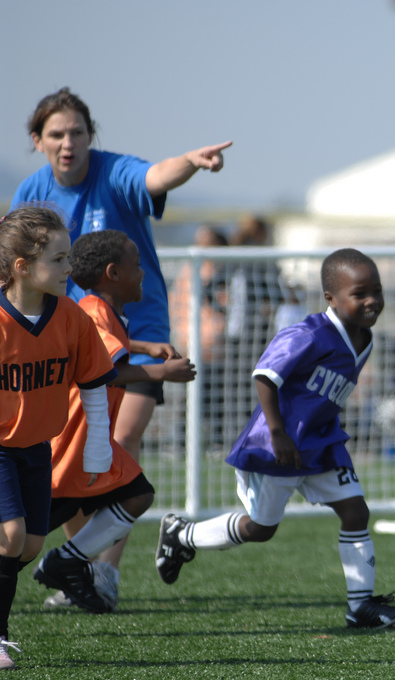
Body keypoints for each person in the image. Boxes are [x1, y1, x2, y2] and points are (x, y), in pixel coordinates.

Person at [154, 249, 395, 630]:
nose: (372, 300)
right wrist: (277, 433)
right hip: (281, 446)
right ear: (330, 299)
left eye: (376, 290)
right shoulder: (308, 334)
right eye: (360, 294)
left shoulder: (366, 339)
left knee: (356, 512)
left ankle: (361, 608)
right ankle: (182, 535)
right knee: (261, 529)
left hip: (323, 444)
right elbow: (264, 376)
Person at [12, 87, 230, 464]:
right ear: (37, 140)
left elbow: (155, 176)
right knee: (72, 452)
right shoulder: (31, 192)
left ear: (90, 135)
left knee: (121, 439)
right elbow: (14, 261)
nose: (68, 143)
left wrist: (190, 162)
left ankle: (116, 515)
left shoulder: (114, 172)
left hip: (141, 327)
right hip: (69, 338)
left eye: (77, 132)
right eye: (57, 134)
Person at [33, 230, 196, 613]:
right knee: (21, 540)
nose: (143, 273)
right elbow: (105, 373)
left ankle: (67, 561)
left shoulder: (100, 311)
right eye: (136, 265)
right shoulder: (93, 309)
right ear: (113, 273)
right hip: (72, 439)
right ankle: (64, 562)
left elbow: (102, 343)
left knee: (138, 493)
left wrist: (141, 347)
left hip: (91, 439)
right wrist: (161, 371)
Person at [0, 205, 118, 669]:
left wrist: (98, 445)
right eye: (60, 258)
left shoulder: (70, 317)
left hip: (36, 449)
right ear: (22, 267)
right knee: (10, 537)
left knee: (29, 546)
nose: (70, 268)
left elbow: (92, 382)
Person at [170, 225, 229, 448]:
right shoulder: (190, 269)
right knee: (186, 396)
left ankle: (215, 442)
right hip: (191, 341)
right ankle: (180, 443)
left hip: (215, 344)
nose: (200, 245)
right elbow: (177, 304)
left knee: (214, 397)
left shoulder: (222, 270)